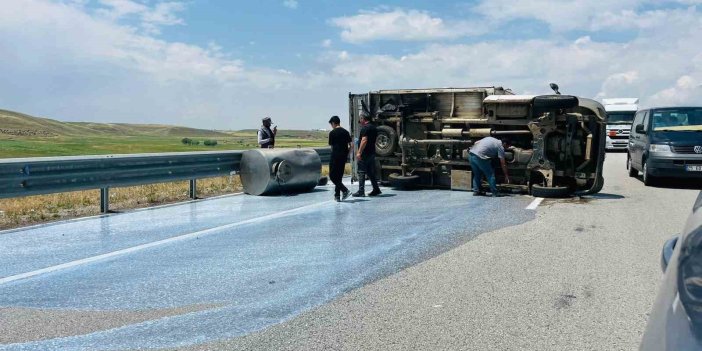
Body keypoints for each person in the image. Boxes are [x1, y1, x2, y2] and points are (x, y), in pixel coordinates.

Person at [353, 113, 382, 197]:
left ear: (363, 119)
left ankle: (361, 191)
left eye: (360, 119)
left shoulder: (365, 128)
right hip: (371, 152)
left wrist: (359, 152)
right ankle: (376, 189)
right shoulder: (374, 128)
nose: (360, 120)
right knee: (370, 172)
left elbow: (364, 140)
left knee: (361, 171)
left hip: (365, 153)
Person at [327, 116, 352, 202]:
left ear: (333, 123)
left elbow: (332, 147)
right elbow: (351, 145)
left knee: (332, 176)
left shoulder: (332, 133)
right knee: (339, 176)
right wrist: (347, 153)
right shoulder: (346, 132)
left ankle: (345, 190)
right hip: (343, 157)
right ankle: (337, 195)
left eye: (331, 124)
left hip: (335, 156)